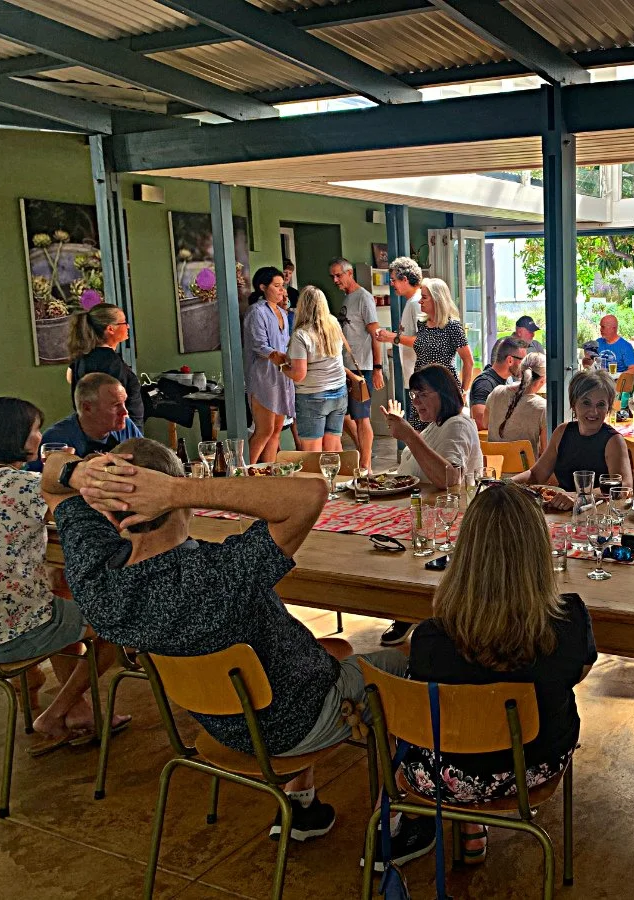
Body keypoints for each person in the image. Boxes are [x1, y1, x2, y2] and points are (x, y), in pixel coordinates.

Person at [42, 438, 416, 849]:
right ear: (175, 492)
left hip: (225, 725)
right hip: (297, 723)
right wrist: (177, 490)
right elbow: (311, 492)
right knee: (408, 660)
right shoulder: (218, 577)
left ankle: (301, 807)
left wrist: (78, 474)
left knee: (330, 648)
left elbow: (51, 483)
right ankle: (398, 821)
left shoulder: (95, 573)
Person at [406, 481, 596, 861]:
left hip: (446, 776)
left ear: (465, 551)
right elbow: (577, 673)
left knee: (423, 712)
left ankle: (444, 823)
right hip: (533, 767)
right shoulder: (569, 619)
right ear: (538, 549)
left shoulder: (429, 638)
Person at [0, 398, 125, 745]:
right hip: (13, 634)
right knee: (118, 621)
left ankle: (78, 709)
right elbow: (93, 506)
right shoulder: (25, 487)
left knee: (60, 597)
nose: (40, 436)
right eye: (35, 430)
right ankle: (58, 711)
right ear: (15, 438)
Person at [379, 364, 485, 647]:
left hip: (451, 523)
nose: (416, 402)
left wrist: (408, 435)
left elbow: (448, 478)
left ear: (443, 394)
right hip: (423, 516)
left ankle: (415, 612)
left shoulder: (458, 425)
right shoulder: (432, 428)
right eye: (413, 396)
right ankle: (406, 608)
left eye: (422, 394)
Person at [513, 369, 632, 497]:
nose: (594, 411)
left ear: (608, 408)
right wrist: (506, 483)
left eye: (601, 404)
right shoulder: (562, 432)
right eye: (586, 403)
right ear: (574, 404)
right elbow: (536, 475)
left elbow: (624, 486)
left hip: (598, 513)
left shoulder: (613, 441)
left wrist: (575, 497)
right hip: (562, 512)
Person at [377, 277, 473, 430]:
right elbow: (418, 344)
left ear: (437, 299)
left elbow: (468, 361)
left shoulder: (452, 327)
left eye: (424, 297)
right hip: (421, 390)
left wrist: (464, 391)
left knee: (443, 432)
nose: (420, 301)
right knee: (418, 432)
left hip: (443, 391)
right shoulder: (422, 325)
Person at [329, 257, 384, 469]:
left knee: (362, 416)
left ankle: (367, 465)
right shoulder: (347, 299)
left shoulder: (364, 298)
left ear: (350, 273)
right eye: (332, 276)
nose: (335, 280)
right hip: (344, 366)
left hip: (362, 366)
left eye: (338, 275)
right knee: (344, 414)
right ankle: (362, 453)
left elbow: (375, 333)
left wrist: (377, 368)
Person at [30, 373, 142, 468]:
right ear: (87, 408)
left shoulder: (126, 426)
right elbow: (40, 484)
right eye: (115, 405)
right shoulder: (55, 440)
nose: (125, 412)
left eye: (124, 403)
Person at [286, 286, 348, 453]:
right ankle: (341, 479)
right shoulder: (333, 324)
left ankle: (318, 480)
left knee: (313, 452)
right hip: (339, 392)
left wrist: (282, 366)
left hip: (312, 395)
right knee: (334, 448)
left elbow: (299, 374)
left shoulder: (301, 335)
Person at [243, 266, 295, 463]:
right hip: (263, 377)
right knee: (264, 430)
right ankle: (244, 475)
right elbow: (259, 345)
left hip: (283, 376)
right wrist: (283, 357)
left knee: (276, 432)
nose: (282, 290)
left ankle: (269, 474)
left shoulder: (281, 312)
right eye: (277, 286)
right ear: (262, 287)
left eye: (283, 286)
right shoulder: (256, 311)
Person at [66, 302, 142, 426]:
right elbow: (115, 404)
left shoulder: (83, 357)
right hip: (120, 435)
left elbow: (70, 377)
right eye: (124, 322)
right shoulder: (110, 362)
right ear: (110, 329)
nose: (127, 326)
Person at [485, 352, 547, 459]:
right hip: (526, 473)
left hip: (494, 470)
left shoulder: (496, 392)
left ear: (521, 371)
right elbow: (545, 453)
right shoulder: (542, 407)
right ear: (543, 380)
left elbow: (485, 423)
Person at [470, 336, 525, 431]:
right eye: (523, 360)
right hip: (492, 444)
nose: (526, 365)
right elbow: (479, 421)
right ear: (510, 360)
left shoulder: (508, 379)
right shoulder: (484, 383)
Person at [388, 256, 424, 385]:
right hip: (416, 376)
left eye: (393, 280)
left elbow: (423, 340)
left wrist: (392, 337)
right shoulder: (412, 301)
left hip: (421, 376)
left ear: (404, 280)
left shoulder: (417, 302)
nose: (392, 284)